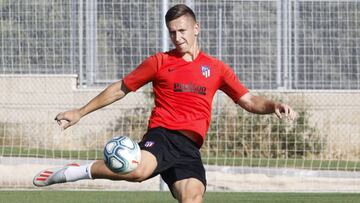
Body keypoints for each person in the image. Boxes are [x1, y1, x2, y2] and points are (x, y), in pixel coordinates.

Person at [33, 4, 296, 203]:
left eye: (182, 30)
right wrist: (80, 112)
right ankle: (78, 171)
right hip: (162, 134)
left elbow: (248, 100)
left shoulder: (216, 68)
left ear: (196, 28)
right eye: (172, 32)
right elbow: (121, 89)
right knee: (138, 171)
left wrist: (273, 105)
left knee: (193, 198)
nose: (177, 37)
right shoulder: (159, 62)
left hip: (189, 148)